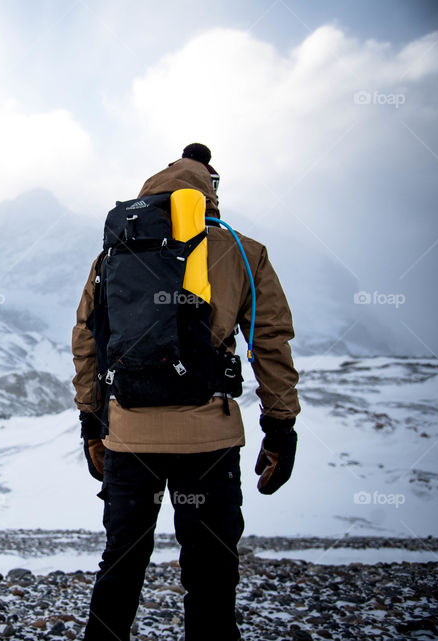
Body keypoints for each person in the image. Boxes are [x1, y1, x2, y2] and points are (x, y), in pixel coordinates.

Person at [72, 143, 300, 641]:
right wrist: (280, 428)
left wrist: (92, 424)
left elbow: (88, 342)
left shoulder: (114, 252)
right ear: (210, 191)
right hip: (210, 440)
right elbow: (271, 343)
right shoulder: (243, 250)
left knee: (122, 560)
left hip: (130, 437)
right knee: (211, 568)